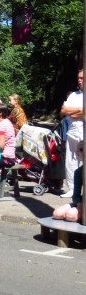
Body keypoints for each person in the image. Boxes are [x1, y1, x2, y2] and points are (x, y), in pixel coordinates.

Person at [60, 69, 83, 198]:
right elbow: (64, 110)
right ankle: (72, 188)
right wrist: (80, 110)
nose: (79, 80)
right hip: (73, 131)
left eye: (82, 78)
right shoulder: (74, 95)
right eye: (78, 78)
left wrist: (73, 112)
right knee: (71, 160)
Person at [53, 142, 83, 222]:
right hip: (83, 202)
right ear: (78, 153)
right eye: (82, 149)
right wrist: (79, 203)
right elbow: (76, 194)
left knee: (71, 215)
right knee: (57, 214)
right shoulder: (79, 172)